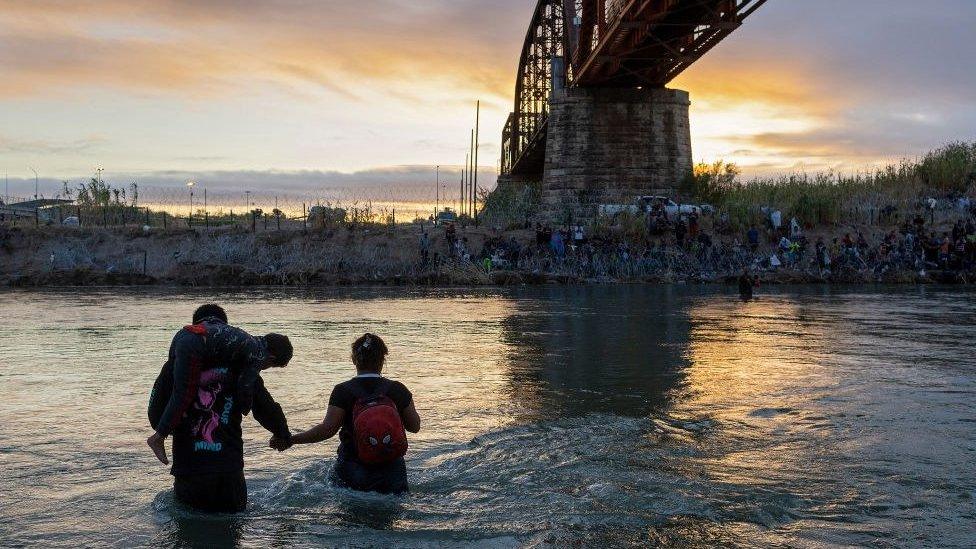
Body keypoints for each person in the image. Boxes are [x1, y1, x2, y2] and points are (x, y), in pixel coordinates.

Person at [147, 304, 293, 513]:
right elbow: (266, 408)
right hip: (228, 470)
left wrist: (169, 427)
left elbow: (155, 414)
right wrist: (283, 434)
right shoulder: (241, 366)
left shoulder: (175, 365)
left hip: (189, 470)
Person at [277, 333, 420, 494]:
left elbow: (327, 430)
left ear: (354, 359)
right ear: (383, 360)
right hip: (393, 470)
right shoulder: (397, 389)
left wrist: (291, 440)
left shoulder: (343, 391)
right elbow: (415, 426)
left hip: (354, 468)